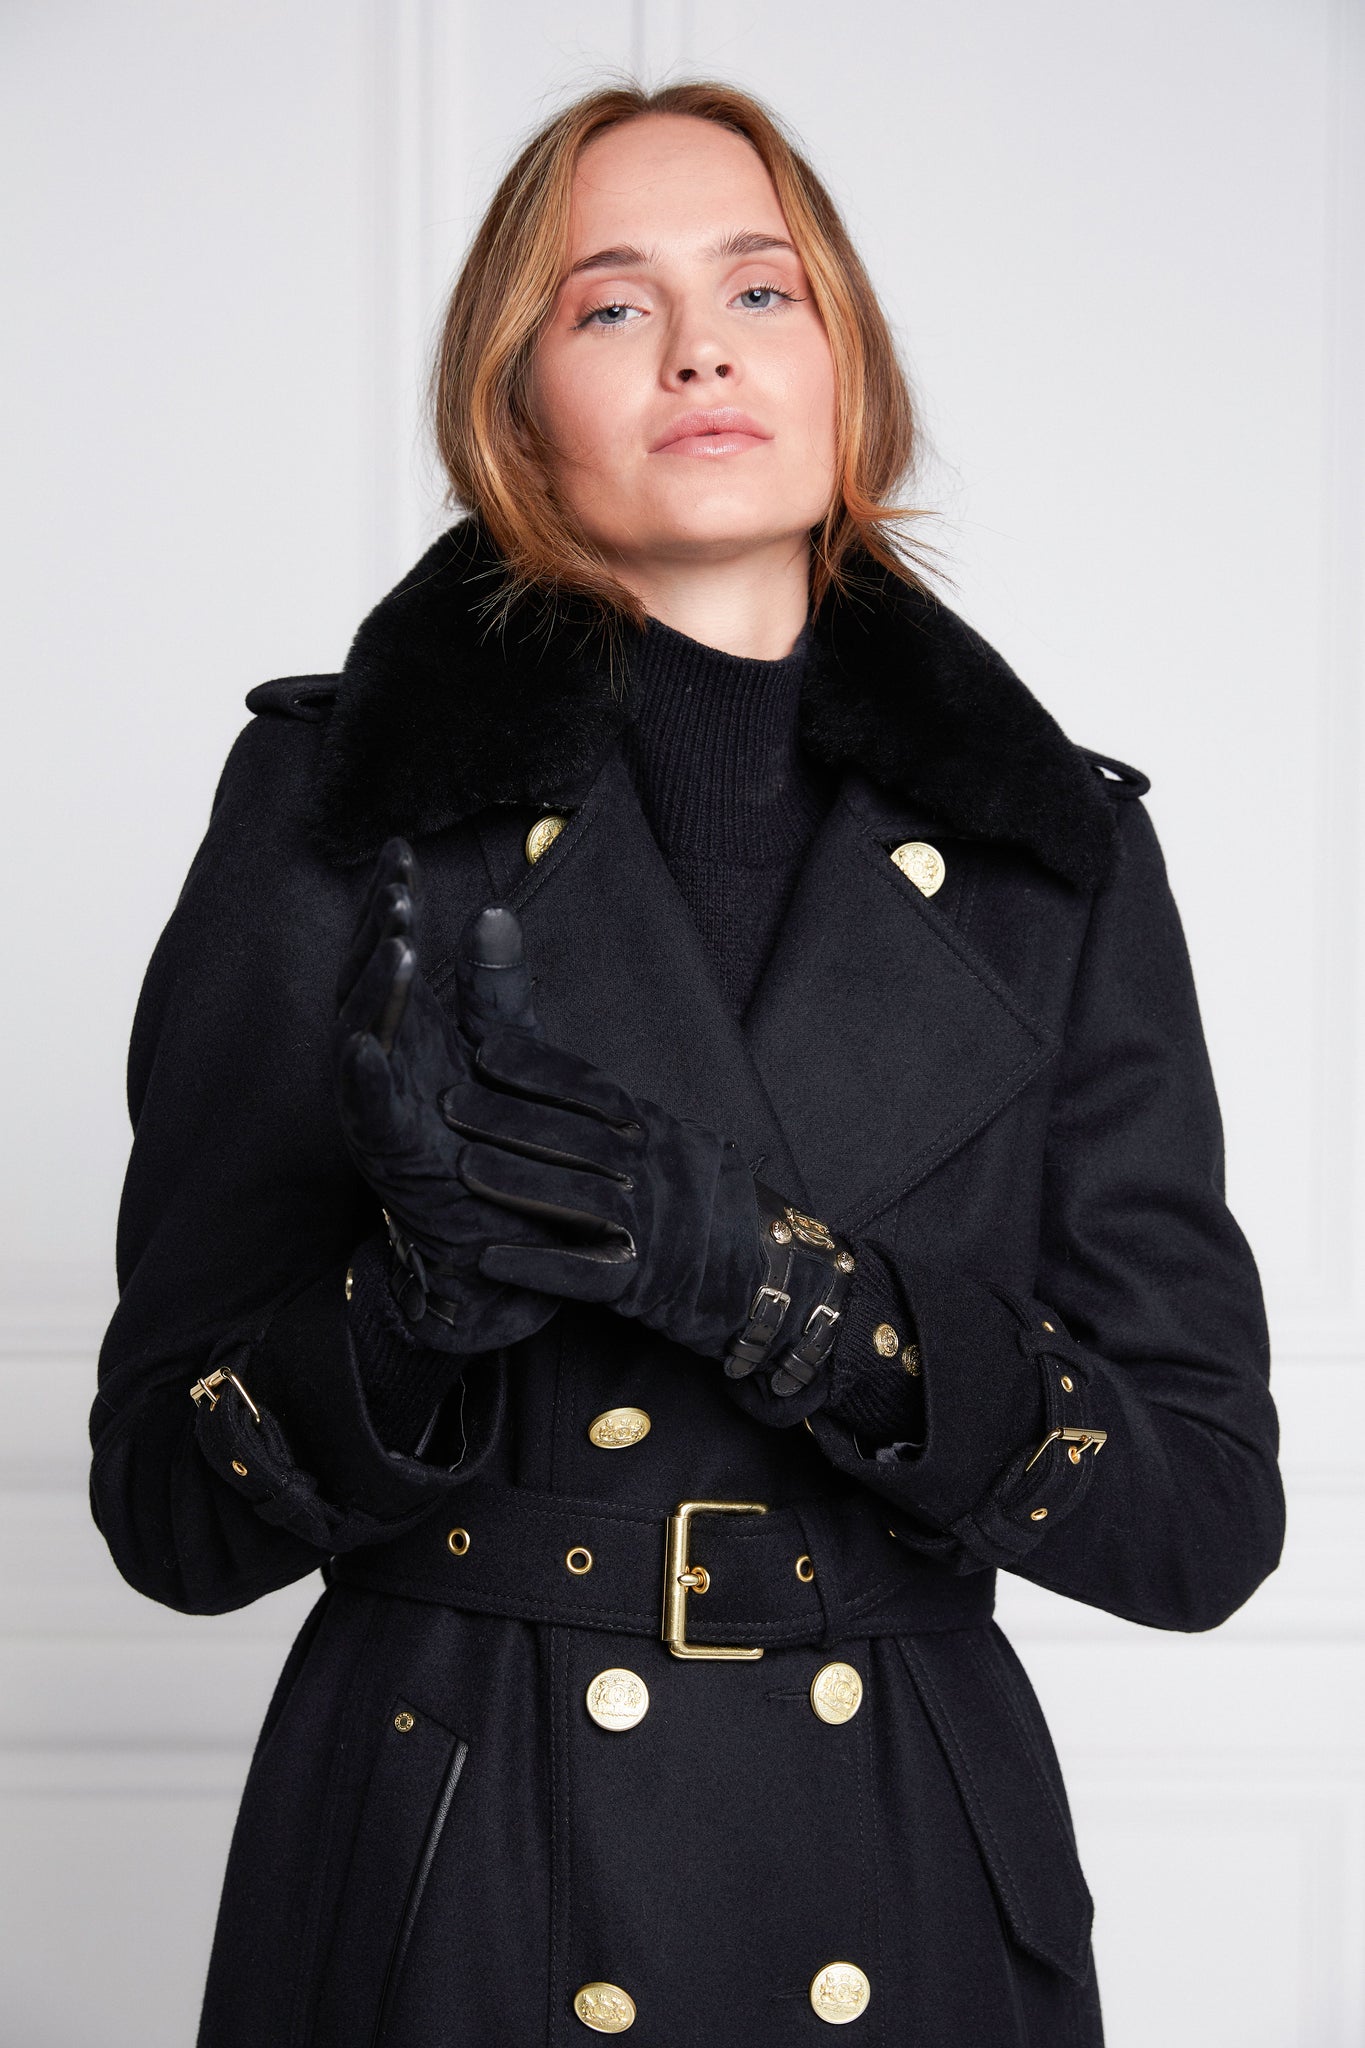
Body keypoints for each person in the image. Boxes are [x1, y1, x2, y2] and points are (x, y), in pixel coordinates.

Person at [90, 79, 1285, 2048]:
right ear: (515, 402)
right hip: (467, 1862)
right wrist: (412, 1311)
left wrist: (793, 1299)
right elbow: (165, 1515)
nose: (700, 347)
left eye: (758, 288)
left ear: (844, 361)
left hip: (897, 1855)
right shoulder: (341, 811)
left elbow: (1200, 1521)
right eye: (611, 304)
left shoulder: (1049, 858)